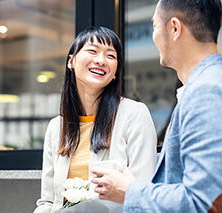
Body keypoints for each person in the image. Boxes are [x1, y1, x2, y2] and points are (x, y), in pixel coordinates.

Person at [91, 1, 222, 212]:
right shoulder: (208, 86)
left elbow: (203, 203)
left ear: (174, 28)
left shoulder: (210, 92)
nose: (153, 36)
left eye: (154, 26)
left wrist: (131, 191)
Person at [33, 26, 157, 213]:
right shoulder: (56, 127)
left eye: (111, 56)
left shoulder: (134, 114)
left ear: (115, 71)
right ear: (71, 61)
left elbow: (142, 192)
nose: (100, 60)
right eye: (92, 51)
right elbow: (48, 203)